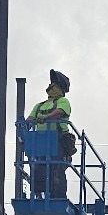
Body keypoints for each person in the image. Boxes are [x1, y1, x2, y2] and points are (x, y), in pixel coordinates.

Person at [27, 69, 76, 199]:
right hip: (41, 141)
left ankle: (57, 198)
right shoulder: (39, 106)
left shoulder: (63, 101)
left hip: (58, 141)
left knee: (56, 170)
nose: (51, 86)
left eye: (54, 84)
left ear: (60, 87)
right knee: (38, 169)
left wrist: (46, 117)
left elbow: (59, 112)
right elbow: (30, 120)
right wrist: (24, 124)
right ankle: (38, 195)